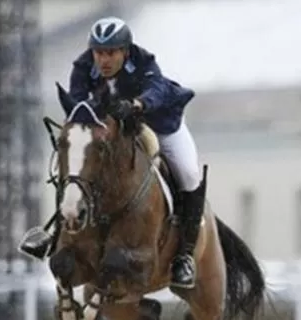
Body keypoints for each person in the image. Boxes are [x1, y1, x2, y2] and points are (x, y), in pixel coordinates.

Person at [19, 16, 204, 289]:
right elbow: (81, 112)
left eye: (111, 53)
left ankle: (184, 256)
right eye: (99, 53)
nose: (103, 60)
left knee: (188, 173)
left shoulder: (144, 62)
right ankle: (56, 232)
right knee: (79, 166)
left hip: (159, 122)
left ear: (125, 51)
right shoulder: (83, 67)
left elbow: (157, 91)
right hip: (112, 130)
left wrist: (137, 104)